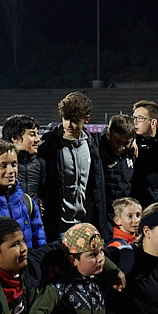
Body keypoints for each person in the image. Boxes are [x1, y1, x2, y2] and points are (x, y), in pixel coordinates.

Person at [38, 92, 109, 241]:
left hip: (88, 226)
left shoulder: (93, 144)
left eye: (75, 120)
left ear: (86, 119)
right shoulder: (49, 145)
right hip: (59, 228)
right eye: (66, 119)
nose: (69, 125)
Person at [96, 114, 138, 208]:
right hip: (106, 210)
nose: (121, 147)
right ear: (108, 135)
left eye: (126, 143)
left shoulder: (133, 151)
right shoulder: (98, 149)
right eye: (118, 142)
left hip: (126, 210)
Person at [2, 114, 42, 203]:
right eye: (32, 135)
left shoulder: (39, 163)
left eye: (37, 134)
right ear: (15, 138)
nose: (38, 139)